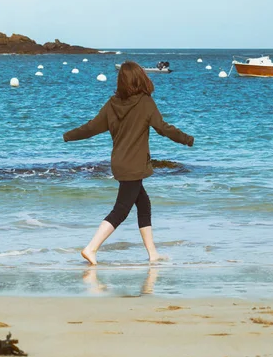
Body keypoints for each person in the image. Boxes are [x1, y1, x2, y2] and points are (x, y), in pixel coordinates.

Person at [63, 61, 194, 266]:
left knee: (143, 204)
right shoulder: (145, 102)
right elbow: (163, 128)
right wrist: (186, 139)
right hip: (134, 166)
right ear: (140, 78)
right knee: (121, 210)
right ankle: (91, 248)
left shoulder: (112, 104)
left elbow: (91, 127)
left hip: (119, 163)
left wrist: (69, 135)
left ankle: (153, 254)